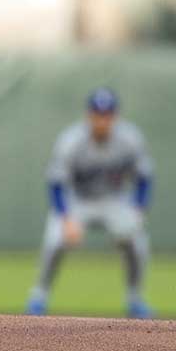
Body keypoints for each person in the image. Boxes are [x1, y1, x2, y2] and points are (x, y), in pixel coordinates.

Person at [25, 87, 155, 319]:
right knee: (55, 240)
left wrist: (138, 209)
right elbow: (55, 183)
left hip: (114, 200)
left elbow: (144, 178)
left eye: (107, 114)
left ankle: (135, 298)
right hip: (78, 200)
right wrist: (65, 218)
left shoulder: (129, 138)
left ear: (115, 116)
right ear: (89, 115)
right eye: (97, 114)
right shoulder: (71, 140)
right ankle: (39, 296)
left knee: (136, 240)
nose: (102, 120)